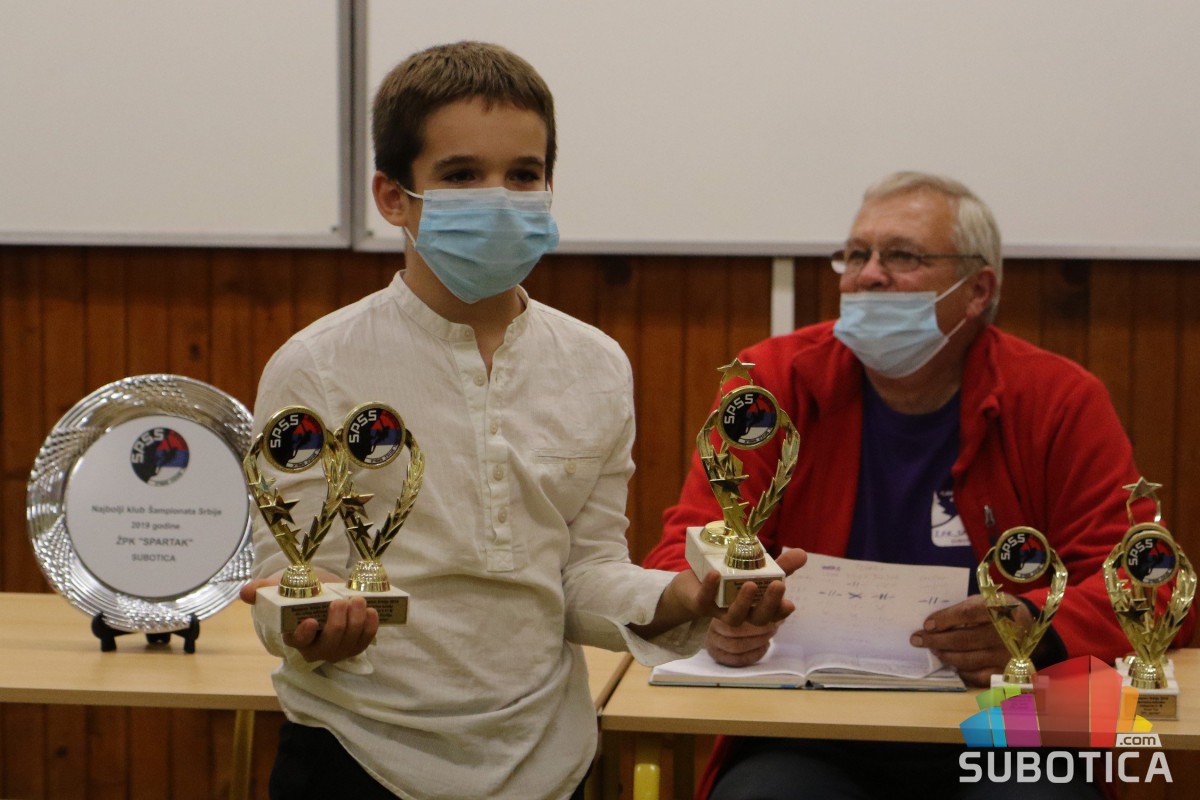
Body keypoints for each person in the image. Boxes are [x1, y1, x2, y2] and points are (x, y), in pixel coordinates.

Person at [239, 41, 801, 800]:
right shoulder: (316, 365)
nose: (500, 199)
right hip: (359, 756)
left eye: (524, 175)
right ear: (393, 197)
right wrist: (314, 623)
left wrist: (686, 599)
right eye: (461, 175)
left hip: (548, 761)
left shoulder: (596, 364)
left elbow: (582, 576)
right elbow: (286, 581)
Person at [643, 171, 1195, 799]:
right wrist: (717, 612)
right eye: (856, 255)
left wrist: (1037, 627)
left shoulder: (1058, 399)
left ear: (977, 290)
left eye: (902, 256)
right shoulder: (772, 383)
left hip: (1010, 714)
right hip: (814, 716)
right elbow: (683, 550)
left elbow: (1155, 581)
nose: (869, 275)